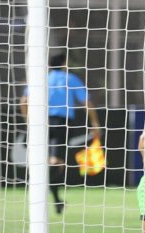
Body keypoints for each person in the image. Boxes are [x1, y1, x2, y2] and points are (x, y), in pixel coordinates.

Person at [19, 53, 101, 214]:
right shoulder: (70, 79)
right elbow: (86, 102)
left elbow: (23, 101)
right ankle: (52, 197)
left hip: (40, 123)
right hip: (61, 123)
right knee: (57, 163)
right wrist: (95, 123)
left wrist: (28, 121)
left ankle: (55, 199)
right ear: (63, 64)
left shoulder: (42, 79)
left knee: (47, 161)